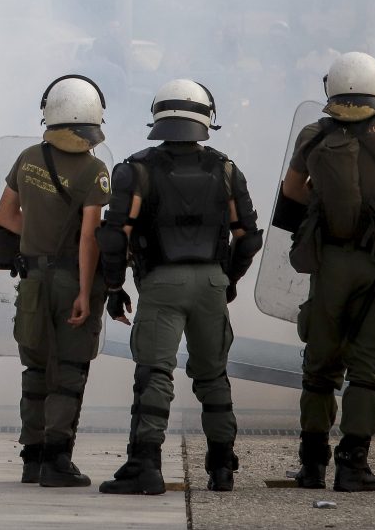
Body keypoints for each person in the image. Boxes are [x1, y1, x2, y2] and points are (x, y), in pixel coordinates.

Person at [96, 79, 262, 495]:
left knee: (154, 374)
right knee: (213, 377)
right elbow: (248, 236)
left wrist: (114, 287)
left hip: (161, 283)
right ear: (207, 117)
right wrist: (229, 280)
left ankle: (145, 466)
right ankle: (222, 468)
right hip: (210, 281)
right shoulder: (226, 169)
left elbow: (115, 235)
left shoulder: (136, 170)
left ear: (158, 116)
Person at [280, 52, 375, 492]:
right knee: (368, 366)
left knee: (320, 365)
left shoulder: (313, 133)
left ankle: (310, 466)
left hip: (329, 263)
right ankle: (353, 466)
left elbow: (290, 191)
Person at [0, 75, 110, 487]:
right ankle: (57, 462)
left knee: (35, 369)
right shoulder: (96, 170)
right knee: (69, 370)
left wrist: (35, 238)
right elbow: (89, 238)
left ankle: (32, 457)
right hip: (67, 279)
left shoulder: (27, 157)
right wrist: (83, 291)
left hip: (31, 279)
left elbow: (5, 216)